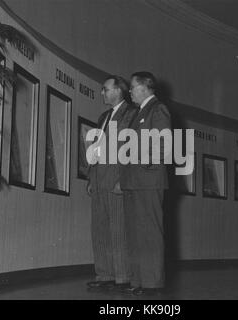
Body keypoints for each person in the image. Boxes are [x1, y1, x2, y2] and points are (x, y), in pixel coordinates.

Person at [119, 71, 172, 296]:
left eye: (132, 87)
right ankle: (138, 279)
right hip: (134, 181)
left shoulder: (157, 109)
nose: (129, 91)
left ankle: (152, 282)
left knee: (149, 232)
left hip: (148, 180)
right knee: (134, 233)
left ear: (144, 87)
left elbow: (163, 145)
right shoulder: (137, 113)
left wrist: (139, 162)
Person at [86, 75, 137, 290]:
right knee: (99, 230)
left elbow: (132, 151)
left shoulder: (132, 114)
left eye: (105, 89)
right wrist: (91, 177)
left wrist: (122, 181)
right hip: (98, 181)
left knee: (118, 229)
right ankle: (104, 275)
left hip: (116, 180)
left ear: (118, 91)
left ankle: (122, 276)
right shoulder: (103, 117)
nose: (102, 93)